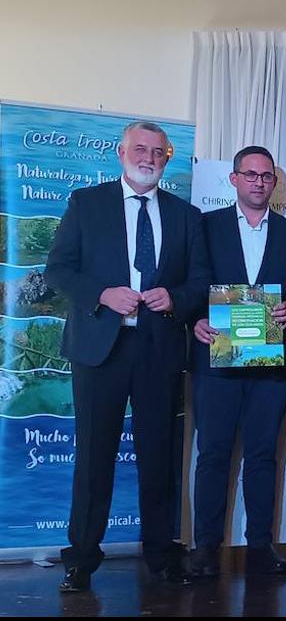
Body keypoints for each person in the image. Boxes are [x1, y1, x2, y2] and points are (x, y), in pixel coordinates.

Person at [46, 120, 209, 593]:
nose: (149, 158)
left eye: (158, 152)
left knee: (160, 457)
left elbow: (200, 282)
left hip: (159, 350)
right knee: (94, 459)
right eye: (140, 149)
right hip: (100, 349)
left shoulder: (185, 215)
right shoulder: (86, 203)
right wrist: (102, 293)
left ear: (167, 158)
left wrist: (174, 299)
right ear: (121, 153)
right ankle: (80, 560)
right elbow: (59, 270)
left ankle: (161, 556)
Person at [186, 146, 286, 579]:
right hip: (216, 360)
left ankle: (259, 544)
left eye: (266, 176)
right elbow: (190, 283)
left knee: (261, 456)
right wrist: (195, 320)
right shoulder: (205, 226)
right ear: (234, 179)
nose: (258, 182)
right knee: (213, 455)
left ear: (274, 183)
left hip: (271, 363)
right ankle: (205, 547)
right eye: (250, 174)